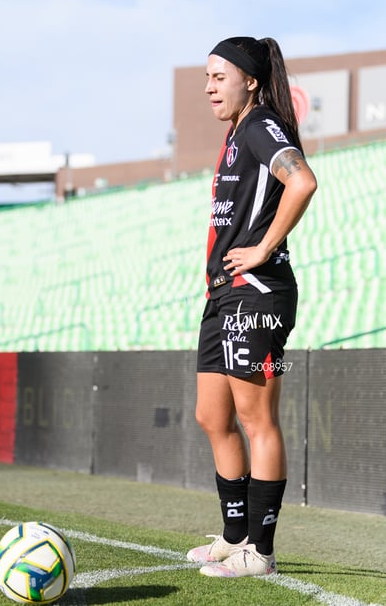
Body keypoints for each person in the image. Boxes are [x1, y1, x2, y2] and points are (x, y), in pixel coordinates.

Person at [186, 37, 317, 578]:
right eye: (207, 78)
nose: (210, 86)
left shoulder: (262, 126)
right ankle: (234, 536)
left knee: (255, 418)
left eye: (220, 76)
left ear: (251, 81)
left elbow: (303, 181)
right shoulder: (238, 133)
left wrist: (262, 249)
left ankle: (259, 551)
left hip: (257, 292)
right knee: (212, 416)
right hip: (224, 293)